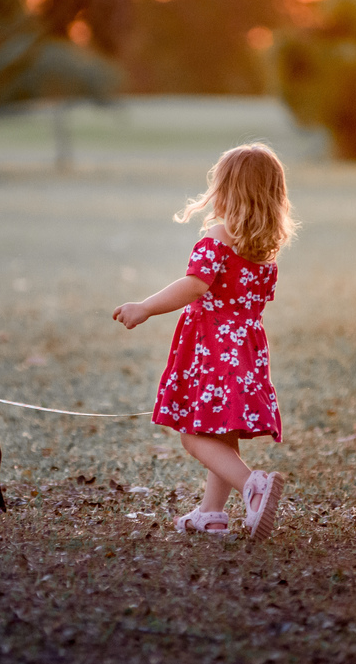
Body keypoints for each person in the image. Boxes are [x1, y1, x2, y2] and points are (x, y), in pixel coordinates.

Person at [113, 143, 297, 541]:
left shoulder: (220, 235)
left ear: (227, 191)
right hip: (246, 348)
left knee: (193, 434)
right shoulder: (266, 250)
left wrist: (145, 307)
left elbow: (196, 284)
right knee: (221, 431)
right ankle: (211, 513)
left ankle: (254, 485)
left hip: (213, 348)